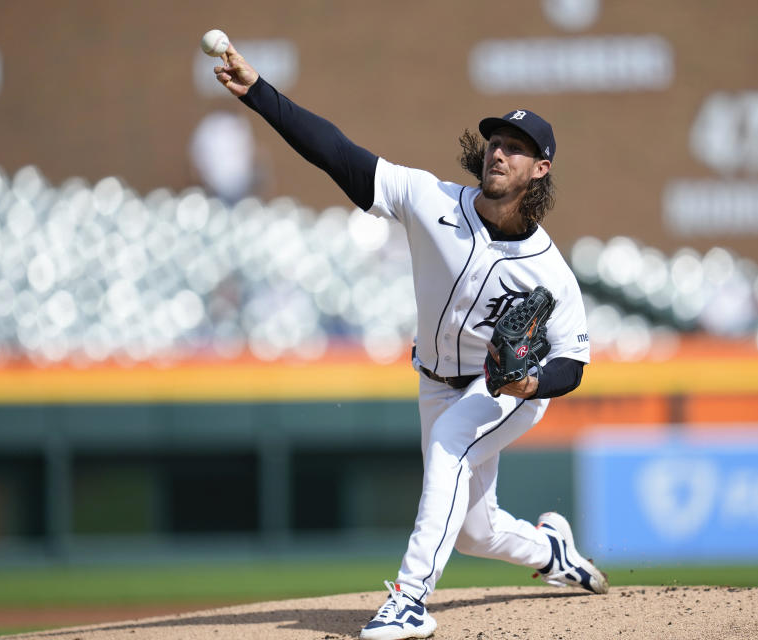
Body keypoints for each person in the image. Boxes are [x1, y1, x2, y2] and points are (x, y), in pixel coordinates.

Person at [214, 42, 608, 640]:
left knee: (452, 443)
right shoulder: (433, 201)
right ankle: (552, 551)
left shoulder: (550, 272)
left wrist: (532, 382)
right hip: (433, 382)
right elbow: (339, 154)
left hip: (502, 389)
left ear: (540, 169)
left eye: (516, 147)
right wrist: (260, 93)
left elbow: (573, 362)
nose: (499, 151)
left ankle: (409, 600)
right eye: (497, 141)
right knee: (476, 529)